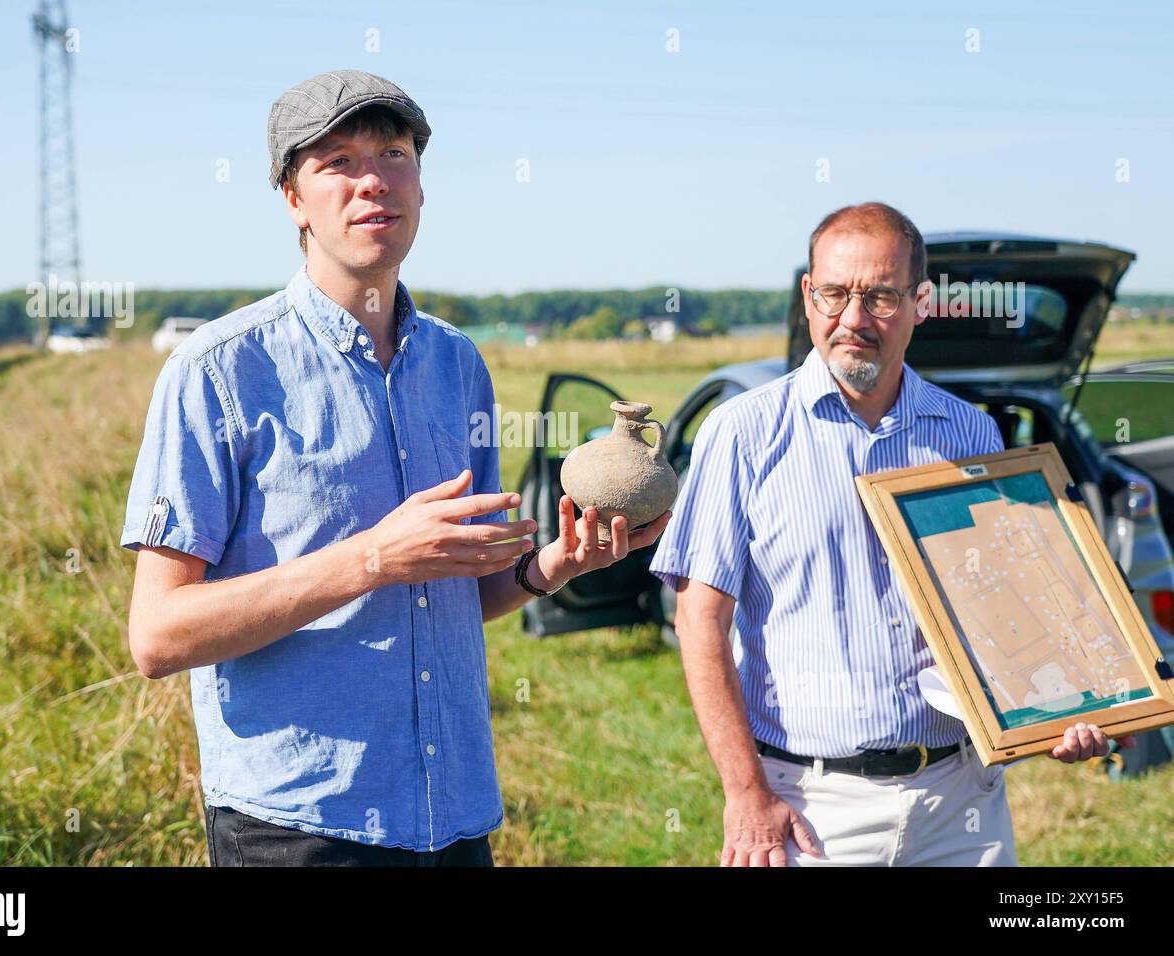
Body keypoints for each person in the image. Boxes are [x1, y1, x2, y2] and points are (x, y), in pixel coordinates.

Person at [118, 69, 670, 867]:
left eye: (395, 152)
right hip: (300, 826)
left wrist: (553, 565)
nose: (374, 179)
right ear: (291, 199)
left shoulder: (456, 365)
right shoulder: (218, 372)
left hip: (452, 821)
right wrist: (372, 558)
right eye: (337, 161)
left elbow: (454, 597)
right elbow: (157, 636)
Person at [648, 202, 1133, 867]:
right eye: (835, 294)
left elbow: (1012, 606)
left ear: (919, 301)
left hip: (961, 802)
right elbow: (699, 622)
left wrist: (1062, 710)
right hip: (813, 809)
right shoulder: (743, 434)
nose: (853, 319)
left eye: (879, 296)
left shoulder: (969, 434)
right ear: (806, 297)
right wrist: (745, 792)